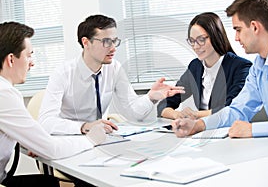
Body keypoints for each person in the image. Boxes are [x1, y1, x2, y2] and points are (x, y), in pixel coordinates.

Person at [172, 0, 268, 138]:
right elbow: (237, 110)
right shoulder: (258, 67)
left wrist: (253, 130)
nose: (236, 38)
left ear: (254, 27)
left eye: (238, 30)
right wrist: (199, 125)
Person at [38, 14, 184, 135]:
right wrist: (84, 126)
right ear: (86, 42)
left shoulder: (114, 68)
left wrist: (151, 97)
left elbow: (133, 112)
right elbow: (46, 122)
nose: (113, 48)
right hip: (70, 139)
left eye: (114, 41)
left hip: (102, 139)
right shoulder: (63, 73)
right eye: (106, 42)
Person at [0, 21, 106, 187]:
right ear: (11, 60)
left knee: (48, 182)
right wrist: (91, 140)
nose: (32, 63)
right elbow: (51, 149)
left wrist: (32, 141)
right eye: (29, 55)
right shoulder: (4, 93)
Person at [157, 12, 252, 120]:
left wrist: (195, 115)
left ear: (216, 36)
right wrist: (177, 115)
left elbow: (231, 109)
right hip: (202, 130)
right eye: (192, 41)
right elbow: (164, 105)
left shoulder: (241, 67)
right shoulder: (195, 67)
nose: (196, 46)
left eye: (201, 40)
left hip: (229, 131)